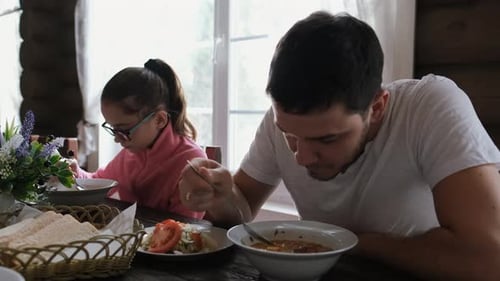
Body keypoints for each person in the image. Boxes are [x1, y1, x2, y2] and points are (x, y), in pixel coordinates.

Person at [178, 11, 500, 280]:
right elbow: (242, 207)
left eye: (327, 139)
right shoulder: (283, 120)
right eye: (289, 134)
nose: (301, 157)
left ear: (376, 107)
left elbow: (488, 257)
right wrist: (219, 195)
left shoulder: (429, 106)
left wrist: (349, 243)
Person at [72, 58, 206, 219]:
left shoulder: (189, 162)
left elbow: (186, 229)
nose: (117, 139)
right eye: (113, 129)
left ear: (159, 120)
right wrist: (75, 172)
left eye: (125, 130)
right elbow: (97, 182)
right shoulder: (131, 154)